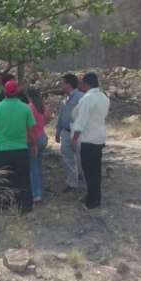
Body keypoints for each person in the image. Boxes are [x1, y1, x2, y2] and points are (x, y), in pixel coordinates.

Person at [0, 80, 37, 214]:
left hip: (1, 150)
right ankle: (25, 207)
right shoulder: (25, 108)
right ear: (17, 92)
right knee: (23, 178)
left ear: (5, 92)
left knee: (2, 180)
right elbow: (31, 130)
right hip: (20, 149)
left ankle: (2, 205)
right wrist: (34, 144)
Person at [71, 73, 110, 209]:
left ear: (87, 84)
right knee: (95, 171)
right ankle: (93, 196)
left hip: (88, 139)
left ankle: (93, 200)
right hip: (99, 137)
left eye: (82, 83)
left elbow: (81, 120)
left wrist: (74, 138)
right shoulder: (103, 97)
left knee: (89, 171)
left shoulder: (88, 98)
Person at [56, 74, 85, 193]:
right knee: (67, 157)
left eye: (63, 82)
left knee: (81, 157)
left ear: (68, 84)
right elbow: (61, 116)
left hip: (78, 132)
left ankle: (83, 178)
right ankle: (72, 183)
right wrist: (58, 132)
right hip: (66, 132)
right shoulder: (64, 99)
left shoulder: (82, 98)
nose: (61, 85)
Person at [27, 88, 51, 203]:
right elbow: (47, 119)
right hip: (42, 137)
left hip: (34, 139)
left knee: (32, 167)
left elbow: (28, 125)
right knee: (38, 165)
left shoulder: (29, 107)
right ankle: (40, 190)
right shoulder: (42, 106)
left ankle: (36, 194)